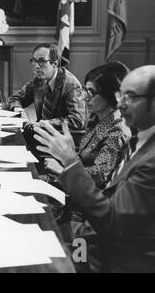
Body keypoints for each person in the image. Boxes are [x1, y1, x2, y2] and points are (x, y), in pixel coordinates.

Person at [34, 65, 155, 272]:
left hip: (112, 253)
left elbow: (110, 218)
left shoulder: (149, 159)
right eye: (121, 95)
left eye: (131, 97)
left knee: (44, 253)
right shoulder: (138, 137)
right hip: (93, 227)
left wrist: (70, 163)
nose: (121, 104)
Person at [43, 62, 131, 190]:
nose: (84, 98)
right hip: (75, 184)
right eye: (85, 90)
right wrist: (69, 154)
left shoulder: (117, 131)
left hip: (87, 197)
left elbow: (100, 175)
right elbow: (84, 160)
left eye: (91, 93)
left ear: (110, 95)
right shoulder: (97, 118)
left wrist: (63, 169)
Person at [7, 43, 85, 130]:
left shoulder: (71, 85)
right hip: (39, 133)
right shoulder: (39, 79)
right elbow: (14, 98)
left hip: (60, 137)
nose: (36, 66)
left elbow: (77, 120)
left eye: (41, 62)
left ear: (54, 64)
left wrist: (45, 123)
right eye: (34, 61)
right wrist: (20, 111)